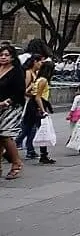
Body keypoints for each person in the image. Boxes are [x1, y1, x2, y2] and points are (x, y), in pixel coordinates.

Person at [0, 45, 26, 180]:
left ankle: (16, 163)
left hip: (12, 106)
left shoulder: (17, 71)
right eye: (1, 55)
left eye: (6, 55)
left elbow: (20, 91)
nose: (3, 57)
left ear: (12, 57)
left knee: (5, 134)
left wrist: (7, 102)